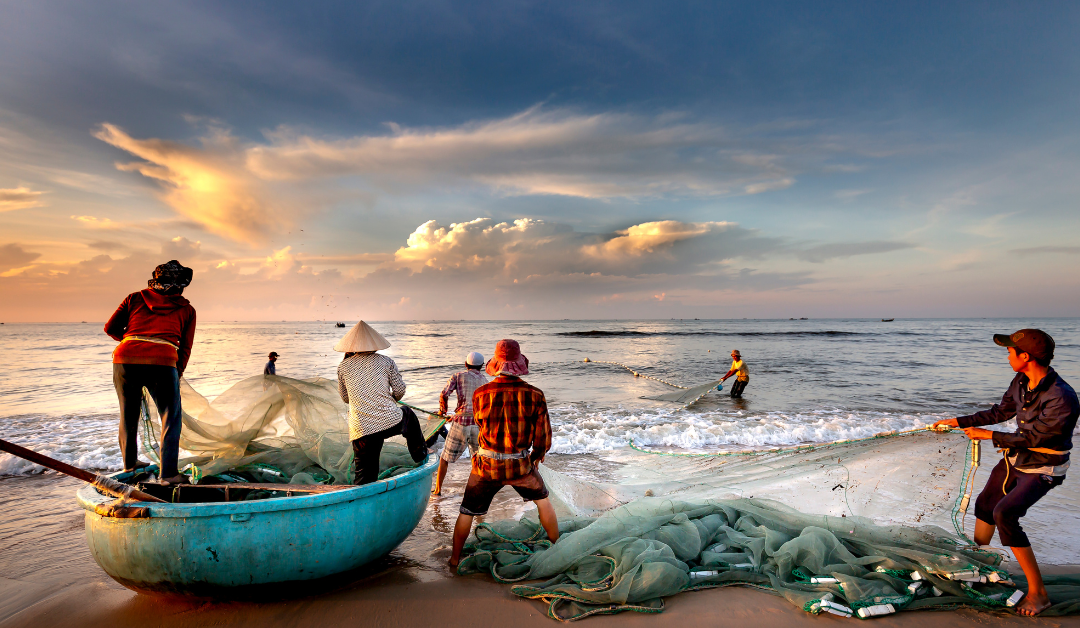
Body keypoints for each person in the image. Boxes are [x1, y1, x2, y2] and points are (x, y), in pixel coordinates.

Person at [933, 329, 1077, 617]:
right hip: (1016, 457)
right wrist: (958, 421)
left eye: (1011, 351)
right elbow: (1001, 412)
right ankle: (978, 566)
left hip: (1044, 466)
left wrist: (988, 436)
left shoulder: (1062, 397)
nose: (1007, 354)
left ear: (1026, 356)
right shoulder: (1021, 380)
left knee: (1005, 514)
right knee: (985, 505)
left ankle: (1039, 594)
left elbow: (1037, 439)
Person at [448, 339, 558, 569]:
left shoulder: (480, 394)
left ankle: (454, 558)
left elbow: (480, 425)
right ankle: (557, 549)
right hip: (520, 464)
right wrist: (536, 457)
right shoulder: (535, 394)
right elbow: (543, 438)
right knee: (543, 501)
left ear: (495, 365)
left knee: (467, 511)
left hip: (486, 465)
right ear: (519, 364)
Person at [104, 260, 196, 485]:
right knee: (170, 417)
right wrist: (178, 371)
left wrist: (131, 341)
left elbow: (110, 328)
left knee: (127, 414)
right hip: (163, 361)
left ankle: (130, 464)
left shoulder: (134, 298)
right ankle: (169, 475)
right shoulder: (187, 309)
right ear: (181, 284)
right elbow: (185, 347)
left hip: (125, 358)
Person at [335, 321, 428, 485]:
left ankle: (361, 503)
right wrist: (389, 399)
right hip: (389, 421)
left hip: (361, 429)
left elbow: (345, 398)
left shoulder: (343, 366)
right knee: (408, 414)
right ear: (374, 344)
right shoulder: (386, 361)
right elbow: (399, 391)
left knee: (364, 477)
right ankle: (420, 454)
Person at [432, 351, 488, 495]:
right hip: (478, 424)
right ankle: (478, 489)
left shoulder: (458, 376)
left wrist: (442, 412)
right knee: (477, 459)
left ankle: (438, 490)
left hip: (461, 422)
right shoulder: (485, 381)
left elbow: (444, 394)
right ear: (481, 366)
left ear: (465, 364)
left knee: (445, 457)